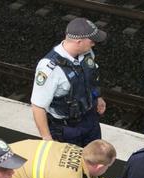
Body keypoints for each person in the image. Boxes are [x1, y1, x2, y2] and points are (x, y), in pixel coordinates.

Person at [31, 18, 107, 146]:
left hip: (90, 119)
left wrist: (98, 97)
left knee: (93, 159)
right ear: (79, 42)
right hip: (67, 130)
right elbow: (38, 106)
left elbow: (91, 77)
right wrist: (47, 139)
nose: (94, 44)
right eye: (91, 41)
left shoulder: (86, 52)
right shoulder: (50, 68)